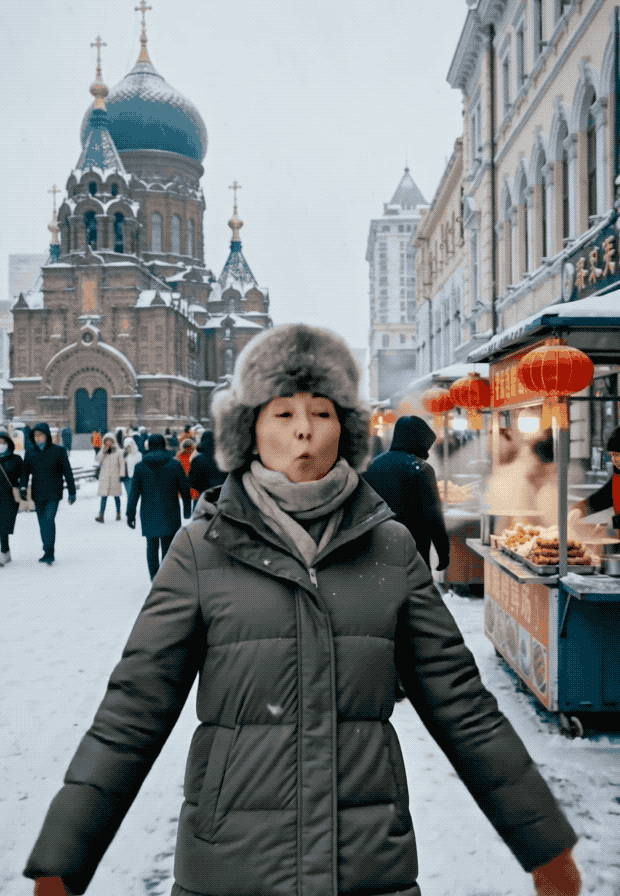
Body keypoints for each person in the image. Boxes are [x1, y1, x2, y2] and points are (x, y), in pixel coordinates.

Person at [24, 325, 581, 896]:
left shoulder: (389, 549)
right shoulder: (201, 549)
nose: (305, 432)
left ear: (346, 429)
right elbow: (133, 710)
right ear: (251, 430)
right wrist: (64, 859)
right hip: (232, 869)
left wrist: (545, 845)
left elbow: (462, 706)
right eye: (283, 413)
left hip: (366, 866)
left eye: (322, 412)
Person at [364, 415, 451, 571]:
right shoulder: (421, 468)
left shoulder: (373, 465)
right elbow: (433, 515)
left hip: (376, 546)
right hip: (412, 547)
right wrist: (443, 551)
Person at [125, 433, 191, 580]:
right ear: (163, 444)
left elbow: (134, 494)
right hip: (171, 511)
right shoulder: (175, 464)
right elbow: (185, 489)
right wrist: (187, 510)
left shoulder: (140, 467)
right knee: (168, 547)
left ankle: (154, 577)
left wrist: (130, 514)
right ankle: (166, 578)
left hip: (149, 513)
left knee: (152, 546)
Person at [20, 422, 76, 565]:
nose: (38, 438)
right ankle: (47, 549)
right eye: (35, 435)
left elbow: (67, 472)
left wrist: (72, 491)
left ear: (46, 435)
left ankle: (49, 552)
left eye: (40, 435)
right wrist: (23, 488)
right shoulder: (30, 453)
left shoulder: (58, 451)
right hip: (38, 494)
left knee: (48, 521)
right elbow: (25, 473)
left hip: (53, 493)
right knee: (42, 523)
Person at [571, 425, 620, 528]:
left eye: (618, 454)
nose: (615, 460)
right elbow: (602, 498)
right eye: (612, 455)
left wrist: (612, 524)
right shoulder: (618, 476)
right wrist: (579, 509)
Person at [0, 430, 24, 566]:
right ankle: (4, 552)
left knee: (4, 525)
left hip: (9, 498)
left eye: (2, 442)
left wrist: (22, 487)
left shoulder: (16, 459)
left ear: (8, 443)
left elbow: (23, 475)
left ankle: (4, 551)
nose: (0, 444)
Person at [187, 428, 226, 501]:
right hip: (222, 498)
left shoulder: (197, 460)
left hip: (204, 498)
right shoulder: (224, 459)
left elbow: (192, 483)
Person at [95, 433, 125, 523]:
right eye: (106, 440)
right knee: (103, 497)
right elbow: (98, 460)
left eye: (110, 440)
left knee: (116, 496)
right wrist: (104, 451)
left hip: (115, 477)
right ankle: (101, 516)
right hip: (105, 477)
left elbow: (122, 464)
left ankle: (118, 513)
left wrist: (121, 474)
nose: (108, 442)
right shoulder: (103, 450)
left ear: (113, 441)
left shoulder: (118, 451)